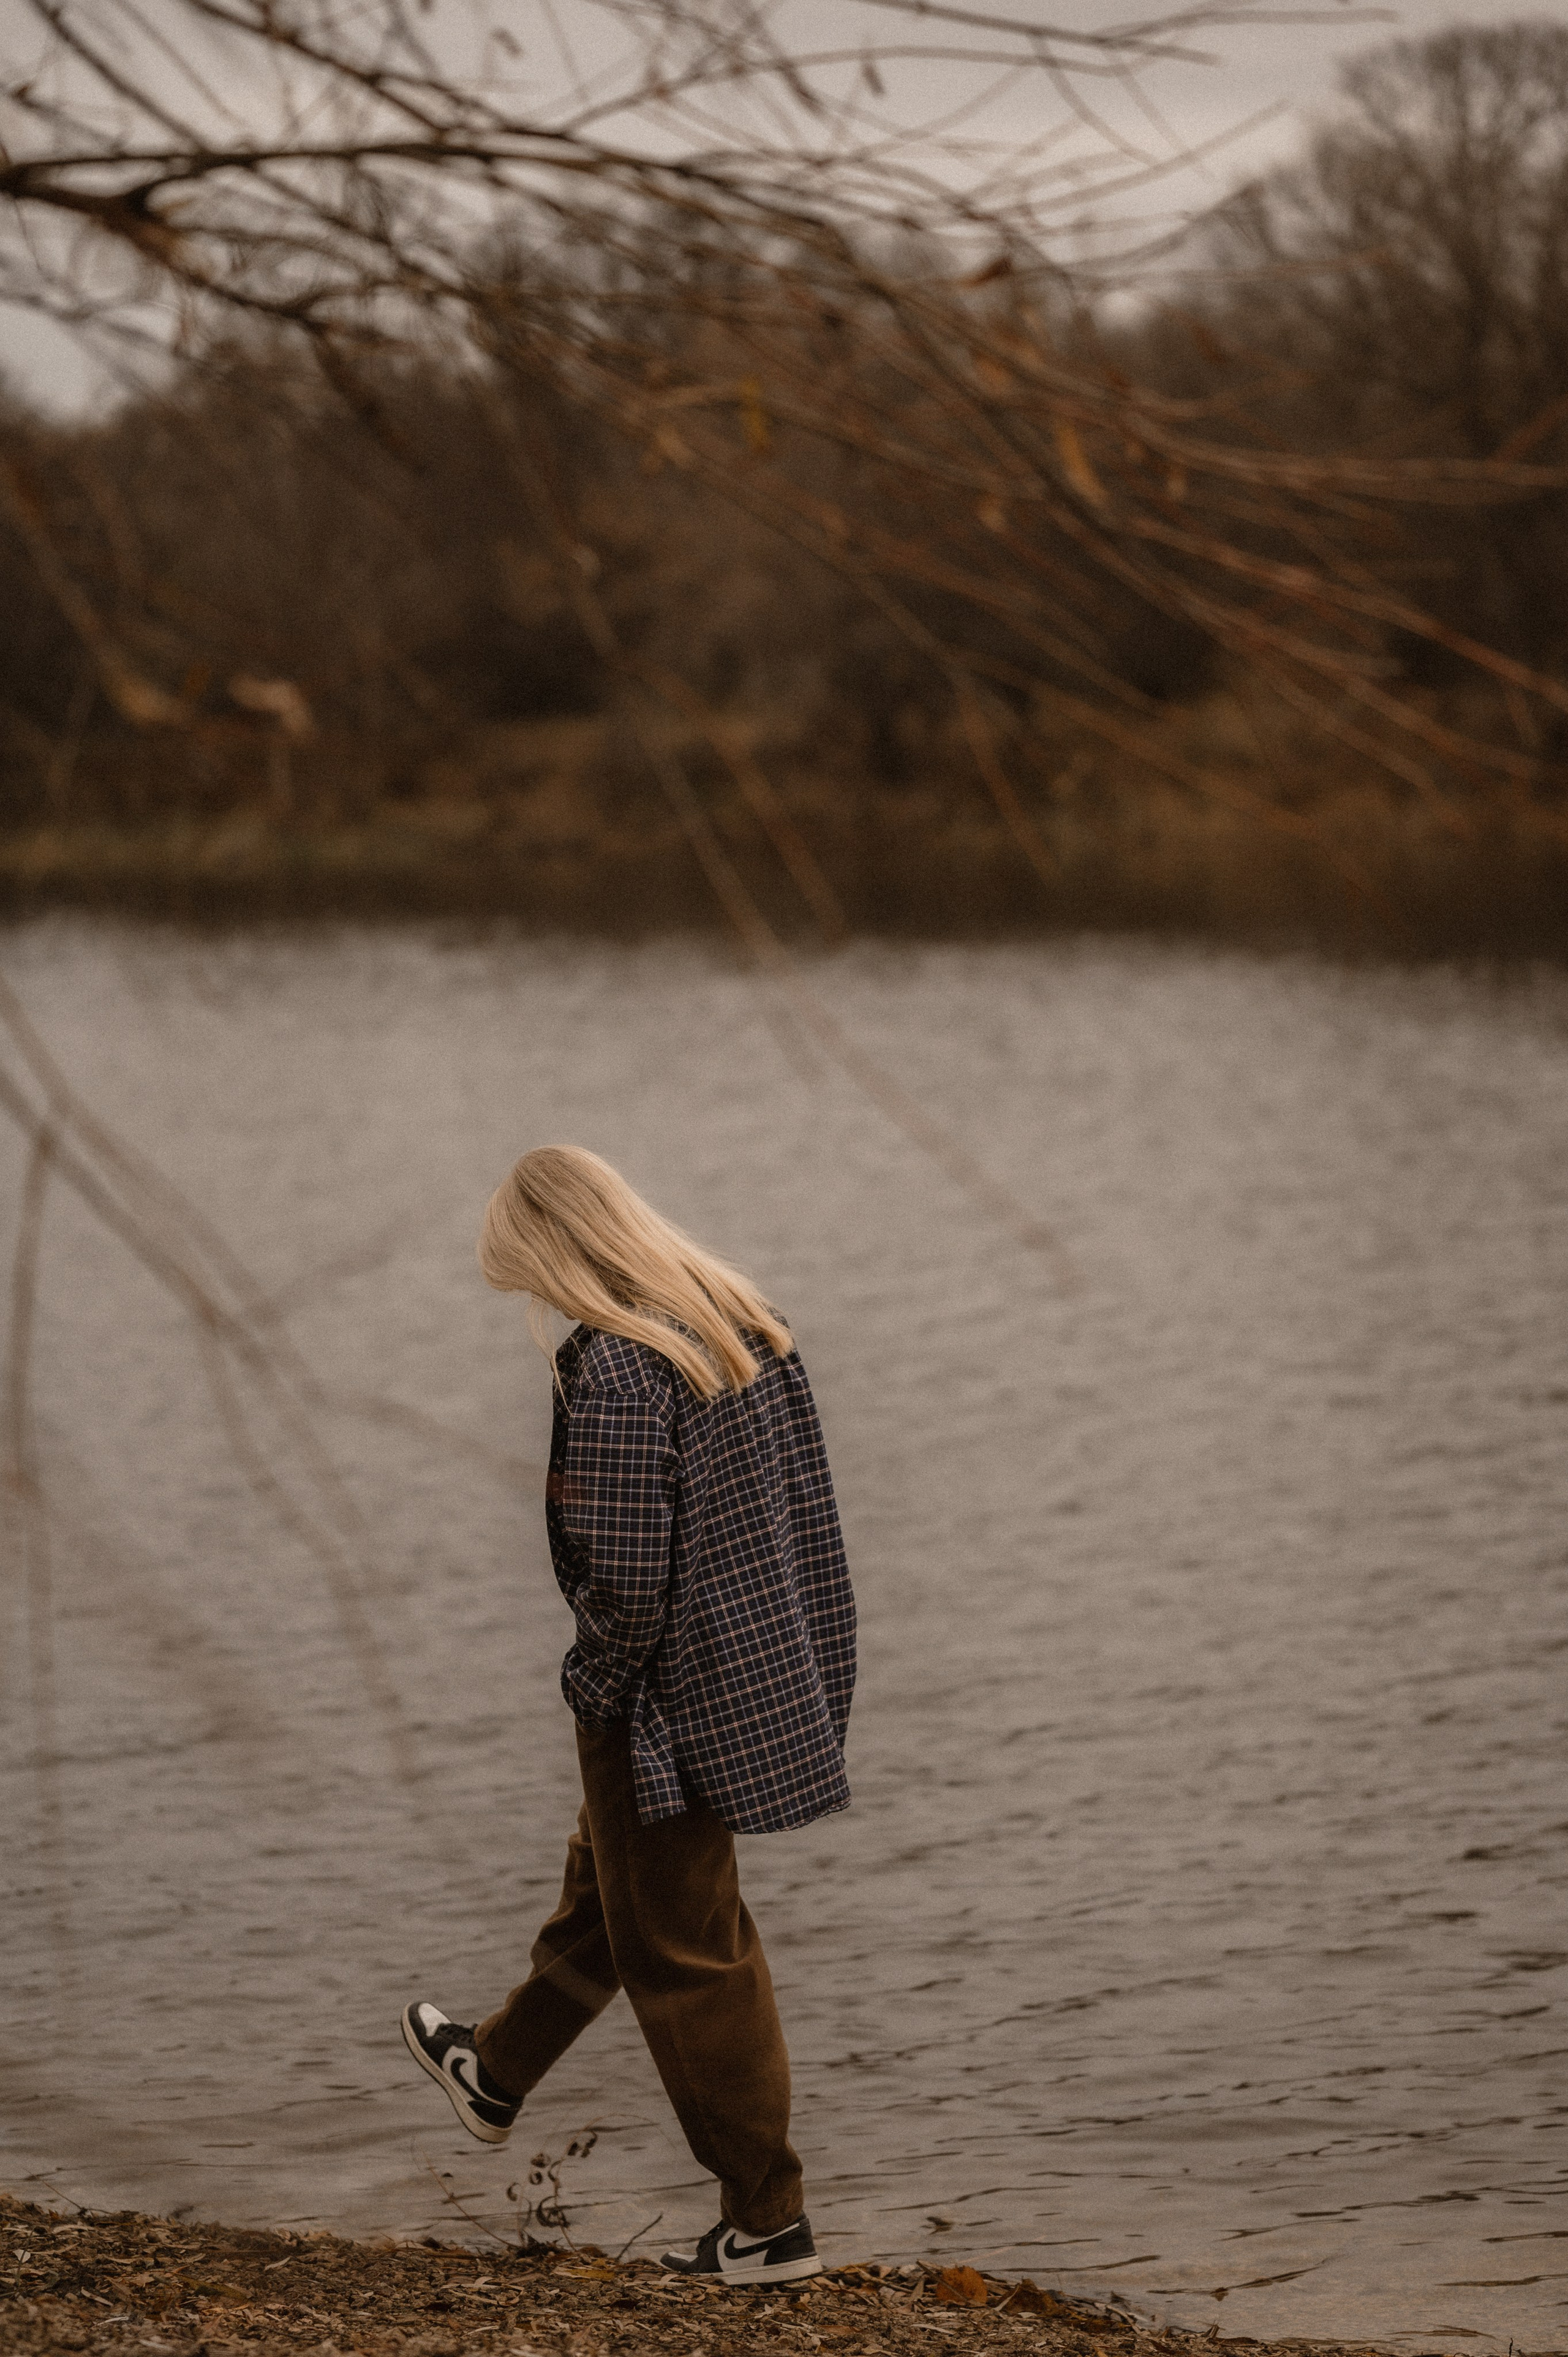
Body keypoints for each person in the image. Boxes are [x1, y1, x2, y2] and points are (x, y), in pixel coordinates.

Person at [401, 1145, 854, 2288]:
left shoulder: (613, 1369)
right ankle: (495, 2071)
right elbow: (804, 1514)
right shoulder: (743, 1323)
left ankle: (767, 2222)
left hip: (662, 1695)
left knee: (689, 1953)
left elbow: (627, 1580)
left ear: (559, 1249)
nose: (532, 1299)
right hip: (756, 1669)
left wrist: (595, 1691)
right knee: (625, 1886)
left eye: (526, 1275)